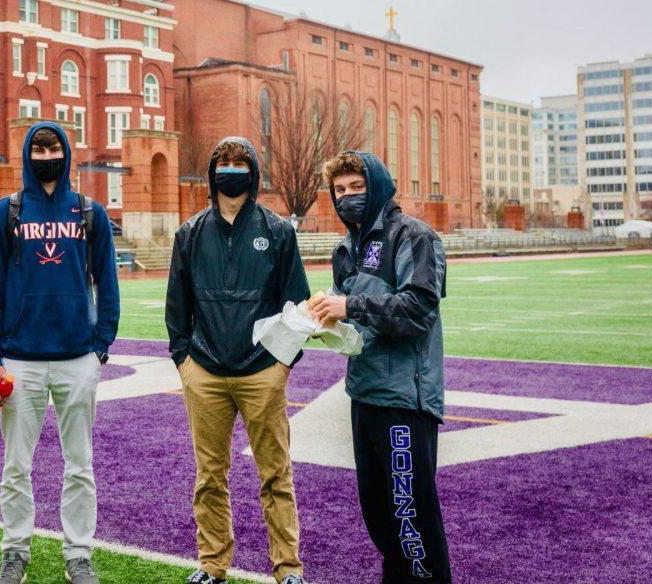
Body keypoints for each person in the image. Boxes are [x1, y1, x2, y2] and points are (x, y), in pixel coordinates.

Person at [0, 122, 119, 584]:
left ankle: (78, 554)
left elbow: (108, 282)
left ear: (66, 152)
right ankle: (15, 550)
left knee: (79, 465)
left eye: (52, 147)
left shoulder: (89, 212)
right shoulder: (7, 212)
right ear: (25, 153)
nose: (45, 155)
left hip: (78, 358)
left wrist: (100, 347)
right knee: (16, 466)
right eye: (37, 148)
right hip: (20, 359)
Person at [165, 137, 311, 584]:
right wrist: (184, 362)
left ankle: (287, 568)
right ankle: (212, 564)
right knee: (209, 475)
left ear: (253, 171)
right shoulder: (190, 233)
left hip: (261, 374)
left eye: (240, 162)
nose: (231, 169)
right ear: (212, 171)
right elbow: (177, 307)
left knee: (276, 474)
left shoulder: (278, 230)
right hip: (205, 373)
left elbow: (298, 304)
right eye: (224, 162)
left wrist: (280, 365)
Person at [310, 151, 451, 584]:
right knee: (379, 514)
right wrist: (322, 319)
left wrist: (349, 304)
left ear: (378, 185)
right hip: (363, 391)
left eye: (357, 187)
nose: (348, 197)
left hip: (404, 398)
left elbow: (418, 308)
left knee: (412, 515)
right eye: (340, 190)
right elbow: (356, 320)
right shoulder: (344, 247)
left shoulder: (413, 236)